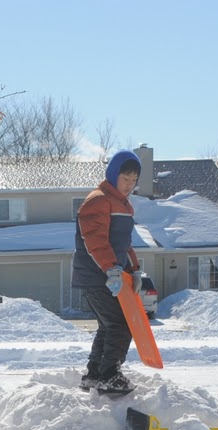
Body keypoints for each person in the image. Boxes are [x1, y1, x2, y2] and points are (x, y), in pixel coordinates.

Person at [72, 149, 143, 395]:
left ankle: (94, 374)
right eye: (125, 179)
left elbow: (124, 243)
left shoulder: (124, 206)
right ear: (113, 175)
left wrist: (134, 270)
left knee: (107, 325)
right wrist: (112, 269)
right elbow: (95, 240)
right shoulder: (98, 200)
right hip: (95, 275)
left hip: (109, 275)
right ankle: (110, 374)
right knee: (120, 324)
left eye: (134, 181)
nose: (129, 185)